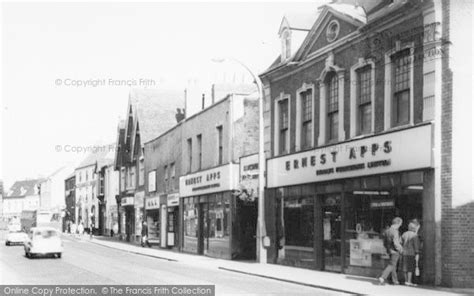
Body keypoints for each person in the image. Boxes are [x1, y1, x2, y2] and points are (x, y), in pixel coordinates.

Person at [379, 217, 404, 285]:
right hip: (395, 251)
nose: (400, 226)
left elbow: (384, 242)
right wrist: (401, 249)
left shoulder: (387, 231)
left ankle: (394, 280)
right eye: (400, 224)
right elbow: (396, 243)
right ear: (397, 223)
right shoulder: (395, 231)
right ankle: (383, 277)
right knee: (391, 265)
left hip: (389, 250)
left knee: (393, 265)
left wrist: (388, 248)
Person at [401, 220, 421, 286]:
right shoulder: (414, 235)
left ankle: (405, 280)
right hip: (411, 253)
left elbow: (400, 242)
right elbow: (416, 245)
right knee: (410, 268)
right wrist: (417, 252)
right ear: (414, 228)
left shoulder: (404, 234)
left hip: (404, 253)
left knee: (405, 267)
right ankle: (409, 281)